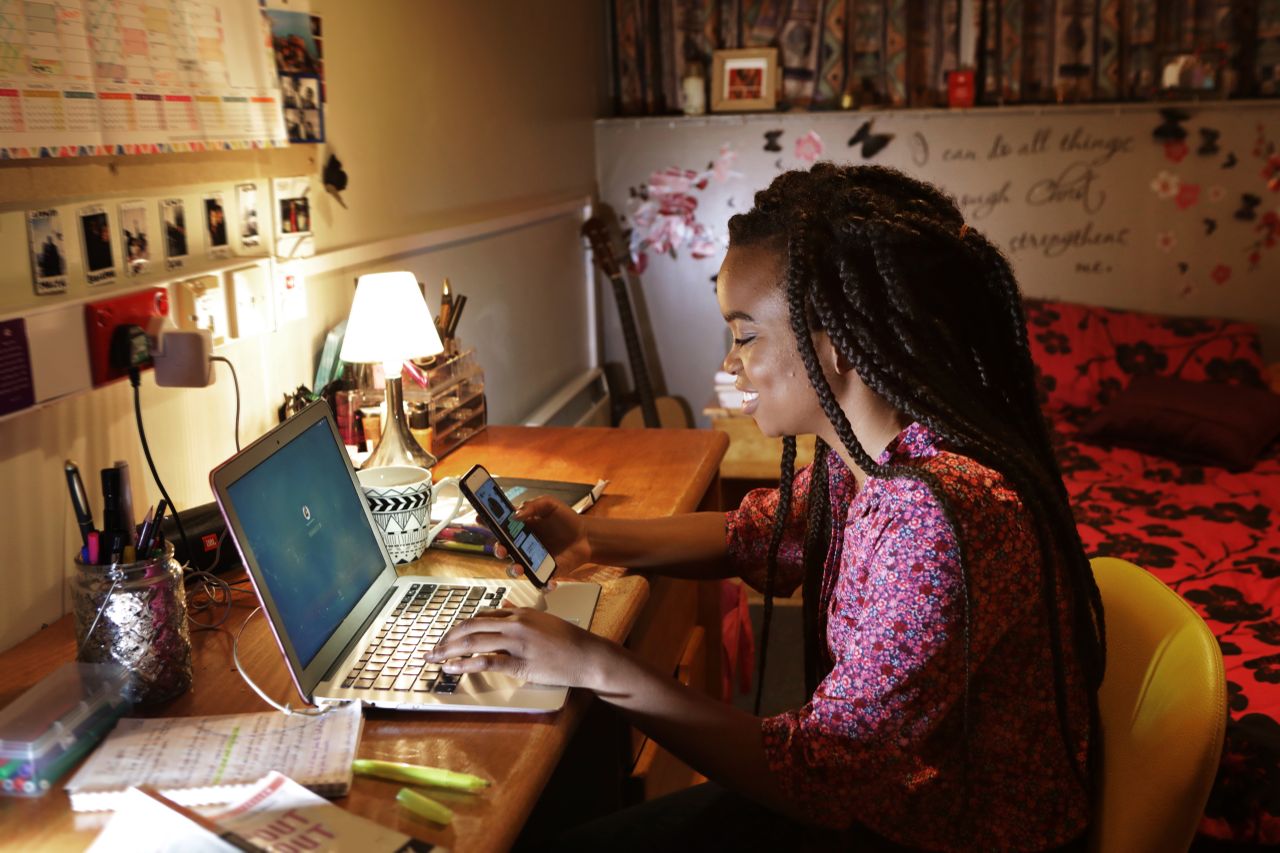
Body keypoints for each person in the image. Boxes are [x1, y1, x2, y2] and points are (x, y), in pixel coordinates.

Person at [428, 163, 1105, 852]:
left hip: (939, 831)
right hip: (885, 797)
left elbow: (819, 776)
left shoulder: (934, 516)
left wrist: (593, 664)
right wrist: (588, 537)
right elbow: (761, 533)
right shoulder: (874, 459)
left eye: (746, 335)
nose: (731, 362)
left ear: (838, 341)